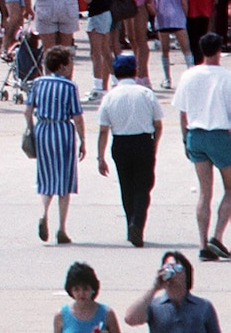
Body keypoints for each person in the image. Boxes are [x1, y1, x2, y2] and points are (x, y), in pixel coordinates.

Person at [98, 52, 165, 247]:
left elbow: (103, 130)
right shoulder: (146, 93)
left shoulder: (109, 97)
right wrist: (154, 145)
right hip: (143, 142)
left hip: (120, 143)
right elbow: (158, 124)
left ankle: (130, 224)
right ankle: (138, 223)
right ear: (135, 71)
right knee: (143, 187)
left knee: (126, 186)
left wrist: (100, 156)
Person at [173, 32, 231, 260]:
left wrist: (184, 137)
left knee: (204, 192)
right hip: (219, 134)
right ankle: (217, 236)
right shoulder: (226, 77)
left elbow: (182, 111)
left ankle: (202, 243)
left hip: (195, 134)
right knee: (229, 188)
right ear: (219, 50)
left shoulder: (189, 75)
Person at [28, 44, 87, 244]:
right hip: (62, 130)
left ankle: (43, 213)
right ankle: (61, 227)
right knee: (64, 179)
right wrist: (83, 140)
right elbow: (77, 116)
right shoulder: (69, 86)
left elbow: (27, 111)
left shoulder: (38, 83)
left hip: (43, 129)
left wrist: (30, 129)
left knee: (46, 177)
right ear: (62, 66)